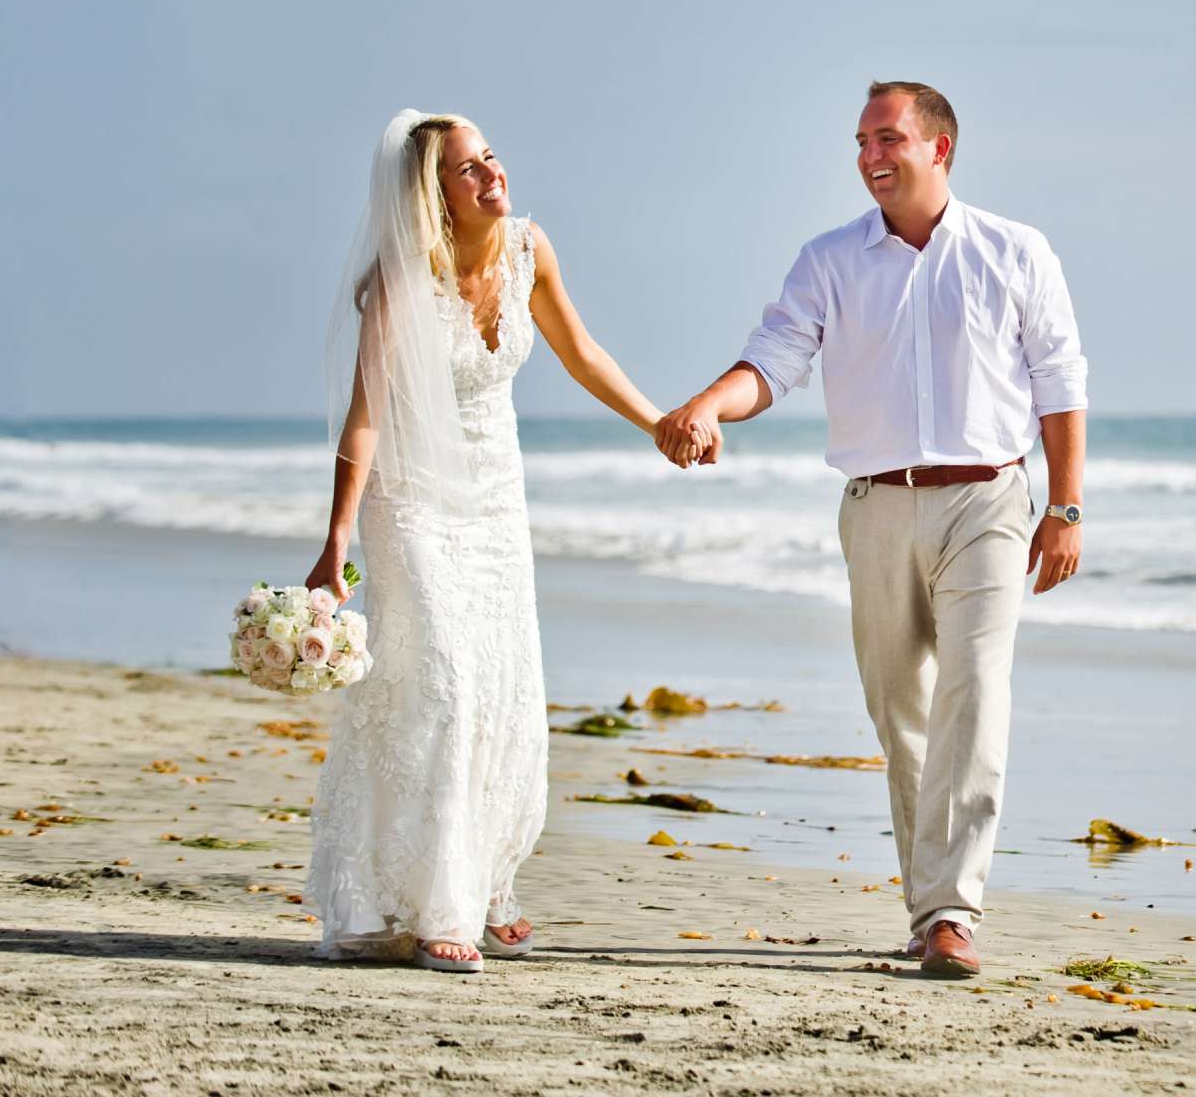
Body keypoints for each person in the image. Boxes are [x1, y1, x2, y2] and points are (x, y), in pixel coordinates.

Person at [655, 80, 1088, 979]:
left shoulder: (1015, 250)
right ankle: (927, 904)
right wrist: (708, 405)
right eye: (860, 142)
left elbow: (1059, 380)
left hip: (990, 503)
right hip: (876, 506)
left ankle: (950, 913)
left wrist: (1065, 507)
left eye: (887, 138)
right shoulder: (830, 259)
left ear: (940, 148)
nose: (869, 157)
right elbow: (774, 360)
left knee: (975, 691)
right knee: (902, 712)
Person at [304, 109, 672, 972]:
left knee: (504, 689)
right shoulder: (401, 284)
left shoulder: (526, 250)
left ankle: (484, 880)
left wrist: (657, 422)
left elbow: (580, 353)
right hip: (414, 506)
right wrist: (336, 541)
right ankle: (437, 907)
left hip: (496, 503)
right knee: (444, 688)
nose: (492, 176)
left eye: (492, 158)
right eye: (468, 170)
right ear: (434, 197)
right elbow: (363, 422)